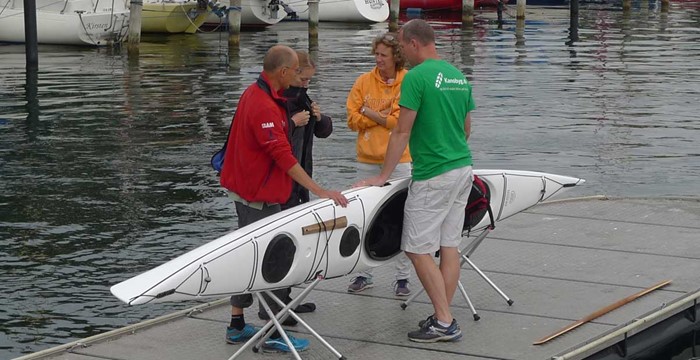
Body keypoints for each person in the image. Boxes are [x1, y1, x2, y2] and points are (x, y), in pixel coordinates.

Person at [220, 45, 348, 352]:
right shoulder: (264, 104)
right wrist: (321, 191)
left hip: (254, 191)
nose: (299, 78)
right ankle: (272, 333)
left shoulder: (260, 93)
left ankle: (237, 325)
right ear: (283, 72)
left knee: (247, 256)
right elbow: (282, 155)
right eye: (295, 72)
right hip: (258, 197)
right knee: (272, 262)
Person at [355, 19, 475, 343]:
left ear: (413, 43)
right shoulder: (458, 77)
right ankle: (441, 315)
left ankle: (445, 321)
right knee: (449, 247)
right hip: (463, 168)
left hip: (433, 174)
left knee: (415, 248)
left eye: (401, 44)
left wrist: (382, 177)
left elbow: (401, 131)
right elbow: (466, 130)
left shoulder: (416, 78)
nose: (401, 52)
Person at [257, 50, 332, 324]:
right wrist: (292, 123)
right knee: (280, 242)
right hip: (283, 180)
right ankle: (272, 306)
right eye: (303, 78)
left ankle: (285, 297)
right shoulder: (277, 99)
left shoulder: (302, 97)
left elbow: (324, 130)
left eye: (310, 80)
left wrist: (319, 117)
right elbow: (269, 139)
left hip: (301, 175)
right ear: (291, 71)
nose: (306, 84)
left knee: (296, 240)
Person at [345, 32, 414, 297]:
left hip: (399, 161)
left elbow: (400, 123)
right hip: (367, 160)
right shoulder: (363, 81)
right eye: (376, 54)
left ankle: (402, 278)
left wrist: (369, 112)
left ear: (396, 56)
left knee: (402, 216)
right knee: (365, 217)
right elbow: (351, 119)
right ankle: (363, 273)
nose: (378, 59)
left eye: (383, 55)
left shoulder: (407, 81)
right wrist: (379, 117)